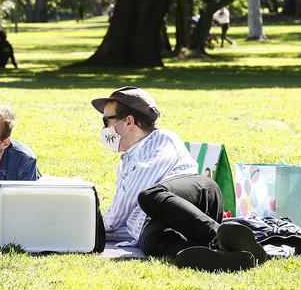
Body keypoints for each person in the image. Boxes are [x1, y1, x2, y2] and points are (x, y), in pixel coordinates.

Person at [91, 86, 265, 272]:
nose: (104, 129)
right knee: (150, 241)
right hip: (161, 218)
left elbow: (130, 200)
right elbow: (126, 218)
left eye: (106, 120)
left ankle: (219, 239)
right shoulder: (128, 158)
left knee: (150, 195)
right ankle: (217, 257)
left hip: (198, 195)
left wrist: (96, 227)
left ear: (128, 122)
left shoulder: (161, 141)